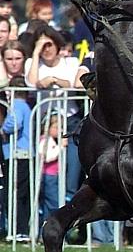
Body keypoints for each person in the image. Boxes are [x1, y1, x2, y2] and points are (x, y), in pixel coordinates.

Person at [24, 26, 88, 201]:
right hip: (44, 124)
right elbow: (30, 84)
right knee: (46, 175)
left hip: (70, 122)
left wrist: (55, 81)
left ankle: (69, 210)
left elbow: (74, 85)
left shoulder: (71, 62)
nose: (46, 49)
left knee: (72, 171)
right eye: (41, 46)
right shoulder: (32, 63)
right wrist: (36, 53)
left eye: (49, 44)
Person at [1, 80, 32, 240]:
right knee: (21, 193)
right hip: (22, 154)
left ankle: (19, 230)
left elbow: (15, 122)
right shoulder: (25, 105)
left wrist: (3, 130)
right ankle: (22, 230)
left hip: (17, 154)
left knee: (14, 192)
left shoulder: (17, 105)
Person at [38, 113, 64, 228]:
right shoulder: (45, 140)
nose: (60, 130)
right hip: (48, 175)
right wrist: (60, 148)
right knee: (54, 203)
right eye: (56, 127)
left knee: (48, 204)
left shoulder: (52, 140)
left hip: (52, 175)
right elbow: (46, 157)